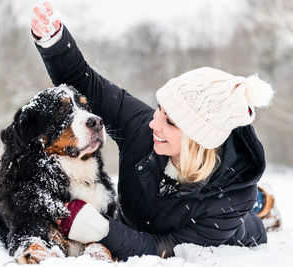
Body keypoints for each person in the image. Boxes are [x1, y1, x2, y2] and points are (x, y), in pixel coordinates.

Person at [30, 2, 280, 260]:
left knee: (249, 227)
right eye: (160, 109)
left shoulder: (231, 200)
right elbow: (85, 83)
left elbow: (165, 248)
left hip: (227, 223)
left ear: (198, 140)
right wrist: (53, 40)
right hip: (139, 218)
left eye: (170, 121)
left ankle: (262, 207)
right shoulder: (141, 127)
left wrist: (102, 229)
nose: (154, 122)